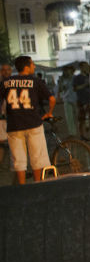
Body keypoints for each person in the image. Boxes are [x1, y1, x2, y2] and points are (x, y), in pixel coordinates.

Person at [1, 56, 55, 184]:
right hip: (33, 123)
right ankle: (37, 185)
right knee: (37, 158)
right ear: (26, 67)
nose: (34, 66)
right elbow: (52, 99)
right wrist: (49, 113)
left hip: (14, 125)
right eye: (32, 64)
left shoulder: (6, 82)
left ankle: (22, 187)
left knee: (19, 160)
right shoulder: (35, 81)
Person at [73, 61, 90, 140]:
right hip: (81, 100)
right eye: (85, 66)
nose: (87, 68)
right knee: (82, 119)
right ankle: (82, 135)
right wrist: (85, 85)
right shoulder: (77, 77)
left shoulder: (89, 76)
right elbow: (75, 88)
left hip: (89, 100)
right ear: (81, 67)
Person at [58, 65, 78, 136]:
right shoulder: (62, 79)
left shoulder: (75, 78)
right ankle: (72, 132)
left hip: (76, 98)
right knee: (69, 117)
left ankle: (79, 130)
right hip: (67, 99)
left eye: (68, 70)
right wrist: (60, 82)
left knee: (77, 115)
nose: (66, 72)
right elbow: (60, 89)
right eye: (65, 71)